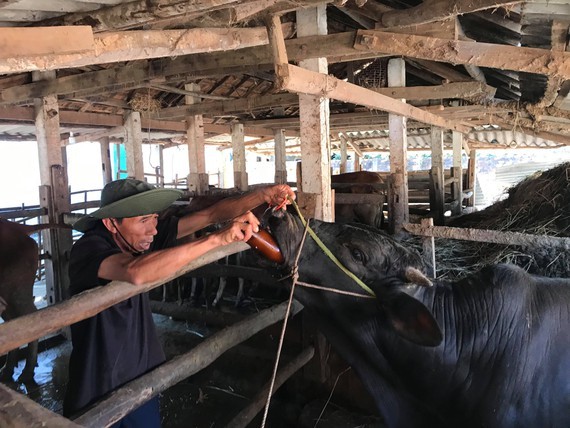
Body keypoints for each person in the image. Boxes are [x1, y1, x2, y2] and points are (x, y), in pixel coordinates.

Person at [63, 178, 295, 427]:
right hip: (97, 380)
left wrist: (263, 195)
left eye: (154, 217)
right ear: (111, 223)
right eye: (144, 221)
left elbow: (211, 214)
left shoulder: (141, 235)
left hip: (140, 376)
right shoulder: (90, 248)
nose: (153, 229)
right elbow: (134, 271)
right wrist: (216, 239)